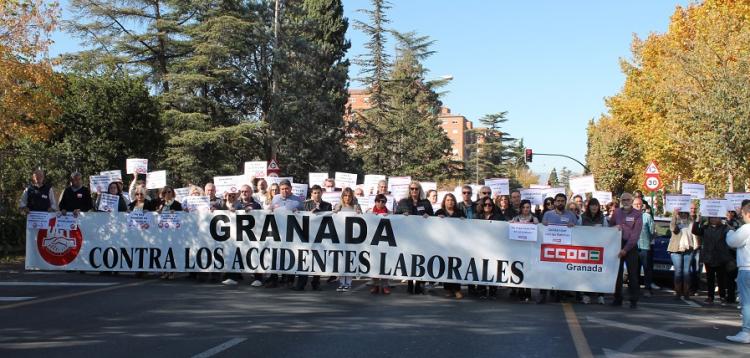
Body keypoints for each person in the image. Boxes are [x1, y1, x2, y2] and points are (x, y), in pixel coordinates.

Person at [539, 193, 579, 304]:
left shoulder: (571, 215)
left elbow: (578, 231)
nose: (560, 203)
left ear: (565, 202)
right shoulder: (547, 214)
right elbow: (541, 228)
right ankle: (543, 294)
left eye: (562, 201)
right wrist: (543, 224)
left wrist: (573, 226)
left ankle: (559, 295)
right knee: (546, 271)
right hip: (549, 248)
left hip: (564, 250)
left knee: (561, 272)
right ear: (555, 202)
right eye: (558, 200)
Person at [396, 182, 434, 294]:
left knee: (420, 259)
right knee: (409, 259)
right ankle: (409, 284)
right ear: (409, 190)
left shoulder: (425, 202)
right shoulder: (403, 202)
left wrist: (428, 216)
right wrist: (402, 216)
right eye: (412, 188)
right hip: (408, 236)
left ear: (419, 190)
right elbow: (396, 215)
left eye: (416, 189)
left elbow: (432, 216)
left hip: (422, 236)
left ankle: (418, 284)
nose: (414, 191)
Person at [265, 180, 303, 288]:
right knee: (276, 254)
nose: (284, 191)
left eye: (286, 188)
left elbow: (304, 216)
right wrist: (270, 209)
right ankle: (274, 279)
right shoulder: (276, 198)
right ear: (279, 189)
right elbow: (270, 210)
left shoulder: (298, 200)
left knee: (289, 255)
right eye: (282, 189)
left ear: (291, 189)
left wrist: (298, 211)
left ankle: (288, 279)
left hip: (292, 233)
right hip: (277, 232)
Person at [609, 192, 643, 309]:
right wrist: (613, 227)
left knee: (632, 274)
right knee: (617, 274)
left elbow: (635, 234)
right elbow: (610, 226)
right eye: (623, 200)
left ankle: (633, 300)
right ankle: (617, 298)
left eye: (628, 200)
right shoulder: (617, 212)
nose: (626, 202)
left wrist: (625, 249)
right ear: (620, 201)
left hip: (631, 246)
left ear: (632, 201)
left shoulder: (637, 214)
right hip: (617, 244)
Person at [295, 185, 332, 291]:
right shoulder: (305, 204)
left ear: (322, 193)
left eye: (318, 192)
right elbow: (300, 217)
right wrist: (309, 214)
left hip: (320, 236)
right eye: (314, 193)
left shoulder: (327, 205)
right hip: (307, 235)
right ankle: (301, 283)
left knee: (318, 259)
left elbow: (329, 219)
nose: (316, 195)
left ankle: (316, 283)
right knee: (305, 259)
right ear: (311, 194)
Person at [692, 213, 732, 304]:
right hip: (708, 256)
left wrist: (727, 222)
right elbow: (695, 231)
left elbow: (733, 231)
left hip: (721, 256)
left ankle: (722, 296)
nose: (714, 219)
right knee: (710, 278)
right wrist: (698, 220)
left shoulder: (724, 227)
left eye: (716, 217)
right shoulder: (705, 227)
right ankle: (710, 296)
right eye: (712, 217)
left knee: (721, 278)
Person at [725, 200, 750, 344]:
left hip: (747, 268)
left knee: (746, 302)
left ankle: (746, 331)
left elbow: (732, 242)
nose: (742, 216)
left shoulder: (747, 228)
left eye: (743, 214)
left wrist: (730, 232)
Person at [435, 193, 466, 299]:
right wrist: (437, 218)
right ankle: (447, 289)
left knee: (456, 265)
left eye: (452, 200)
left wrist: (463, 220)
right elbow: (432, 224)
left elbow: (466, 225)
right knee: (445, 265)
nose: (450, 202)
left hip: (456, 243)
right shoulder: (439, 212)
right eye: (448, 200)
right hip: (443, 243)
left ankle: (457, 289)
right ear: (444, 201)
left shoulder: (459, 212)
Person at [333, 187, 362, 292]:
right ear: (342, 197)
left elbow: (362, 220)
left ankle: (348, 283)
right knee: (341, 260)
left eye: (349, 196)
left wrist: (359, 213)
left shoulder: (356, 206)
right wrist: (334, 212)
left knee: (350, 260)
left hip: (352, 237)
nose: (347, 198)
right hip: (341, 237)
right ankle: (341, 282)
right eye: (345, 195)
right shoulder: (339, 206)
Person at [579, 198, 608, 305]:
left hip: (599, 250)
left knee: (599, 272)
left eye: (596, 205)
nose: (594, 207)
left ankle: (600, 295)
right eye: (592, 205)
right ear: (589, 206)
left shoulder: (602, 218)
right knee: (587, 273)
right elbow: (578, 230)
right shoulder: (582, 218)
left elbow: (607, 232)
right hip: (586, 250)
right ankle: (586, 295)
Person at [510, 199, 538, 302]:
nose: (526, 209)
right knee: (519, 268)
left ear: (530, 208)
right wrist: (511, 223)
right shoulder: (516, 218)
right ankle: (520, 290)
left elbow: (538, 228)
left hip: (529, 249)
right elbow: (509, 225)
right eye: (524, 207)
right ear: (521, 208)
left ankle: (528, 291)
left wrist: (536, 223)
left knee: (528, 269)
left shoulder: (534, 218)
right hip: (518, 248)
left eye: (528, 207)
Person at [668, 206, 698, 300]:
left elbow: (696, 229)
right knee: (678, 272)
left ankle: (686, 292)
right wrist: (674, 214)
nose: (684, 214)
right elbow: (673, 228)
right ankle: (678, 292)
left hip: (689, 249)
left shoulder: (691, 221)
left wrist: (697, 217)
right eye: (682, 212)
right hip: (676, 249)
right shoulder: (676, 221)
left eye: (685, 212)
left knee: (686, 271)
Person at [476, 196, 503, 299]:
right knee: (481, 268)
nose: (487, 206)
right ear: (481, 205)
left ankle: (492, 292)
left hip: (494, 247)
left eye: (490, 204)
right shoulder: (477, 216)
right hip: (480, 246)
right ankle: (481, 291)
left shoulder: (498, 217)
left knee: (493, 268)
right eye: (485, 204)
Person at [367, 193, 391, 294]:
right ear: (375, 201)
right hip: (373, 241)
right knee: (374, 263)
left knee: (384, 264)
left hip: (385, 241)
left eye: (383, 201)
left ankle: (385, 285)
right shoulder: (369, 211)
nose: (380, 203)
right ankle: (375, 285)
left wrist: (389, 216)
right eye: (378, 201)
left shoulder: (389, 212)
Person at [633, 197, 656, 298]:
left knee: (647, 269)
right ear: (632, 206)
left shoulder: (647, 216)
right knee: (634, 269)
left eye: (639, 204)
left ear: (642, 206)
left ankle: (647, 288)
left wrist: (647, 239)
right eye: (636, 204)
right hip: (633, 247)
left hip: (645, 247)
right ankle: (635, 288)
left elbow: (652, 232)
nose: (638, 206)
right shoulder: (629, 216)